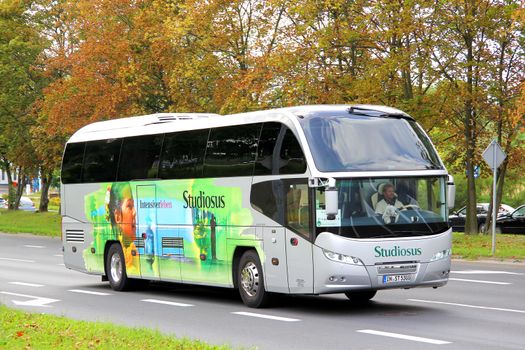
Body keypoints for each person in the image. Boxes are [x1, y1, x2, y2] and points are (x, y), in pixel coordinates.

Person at [106, 182, 140, 274]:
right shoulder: (130, 262)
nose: (134, 213)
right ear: (117, 216)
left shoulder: (132, 249)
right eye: (129, 206)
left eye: (133, 206)